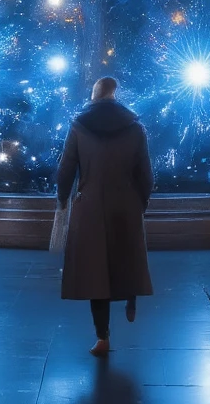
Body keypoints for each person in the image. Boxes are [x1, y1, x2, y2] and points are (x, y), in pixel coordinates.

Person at [57, 76, 153, 357]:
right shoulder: (136, 128)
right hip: (126, 204)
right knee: (127, 258)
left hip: (90, 208)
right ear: (115, 95)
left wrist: (63, 197)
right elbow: (146, 174)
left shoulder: (79, 126)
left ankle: (102, 337)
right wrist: (141, 201)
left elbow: (66, 169)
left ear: (94, 95)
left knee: (96, 273)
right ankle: (131, 298)